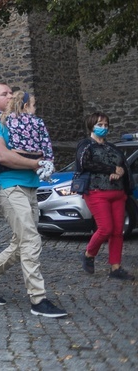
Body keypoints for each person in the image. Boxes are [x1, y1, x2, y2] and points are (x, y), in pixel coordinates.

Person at [0, 82, 67, 318]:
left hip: (29, 186)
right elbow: (2, 156)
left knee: (21, 243)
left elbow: (38, 146)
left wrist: (39, 158)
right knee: (30, 240)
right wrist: (38, 163)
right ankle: (38, 299)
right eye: (3, 94)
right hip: (8, 187)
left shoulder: (21, 121)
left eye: (10, 92)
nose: (10, 96)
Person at [78, 112, 134, 280]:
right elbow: (84, 163)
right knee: (105, 228)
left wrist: (121, 171)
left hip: (117, 193)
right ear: (91, 126)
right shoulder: (86, 145)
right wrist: (111, 170)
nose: (103, 128)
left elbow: (122, 165)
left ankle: (115, 267)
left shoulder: (112, 147)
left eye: (105, 125)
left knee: (118, 231)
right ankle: (89, 254)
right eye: (99, 124)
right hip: (97, 192)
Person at [0, 91, 55, 187]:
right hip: (36, 155)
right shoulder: (38, 121)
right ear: (26, 106)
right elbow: (46, 143)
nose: (35, 108)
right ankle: (42, 173)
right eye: (33, 105)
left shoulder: (10, 118)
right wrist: (48, 159)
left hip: (19, 154)